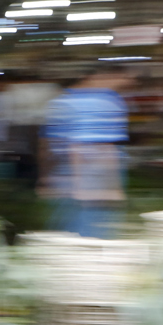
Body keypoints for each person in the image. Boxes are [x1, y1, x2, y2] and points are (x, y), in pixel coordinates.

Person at [40, 66, 135, 239]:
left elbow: (47, 144)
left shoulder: (60, 100)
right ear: (99, 76)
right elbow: (91, 147)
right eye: (123, 77)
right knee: (94, 234)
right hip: (91, 176)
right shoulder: (106, 101)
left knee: (66, 233)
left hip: (63, 176)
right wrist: (110, 187)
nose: (128, 82)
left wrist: (45, 179)